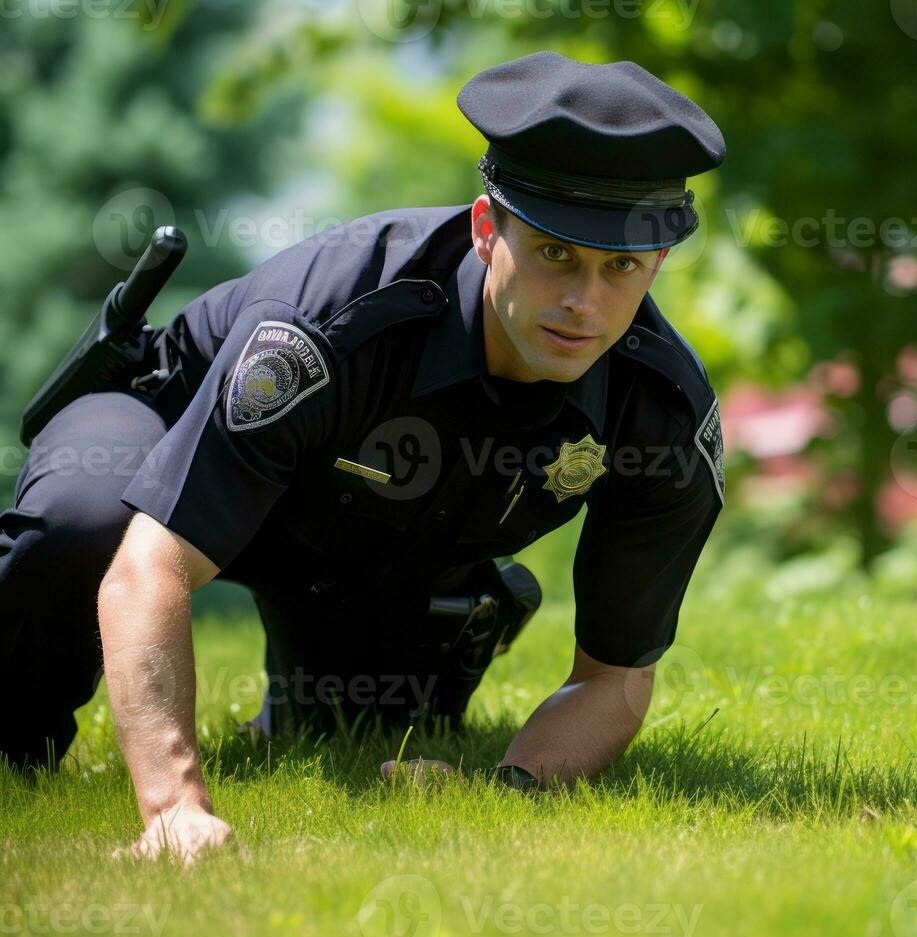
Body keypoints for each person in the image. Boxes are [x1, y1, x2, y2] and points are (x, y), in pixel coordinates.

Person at [0, 50, 727, 861]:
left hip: (356, 538)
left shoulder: (661, 410)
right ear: (489, 230)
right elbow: (150, 569)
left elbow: (614, 678)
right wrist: (175, 810)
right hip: (168, 436)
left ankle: (460, 609)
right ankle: (11, 750)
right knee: (80, 526)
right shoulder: (333, 325)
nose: (582, 303)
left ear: (657, 262)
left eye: (620, 267)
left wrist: (509, 789)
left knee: (351, 731)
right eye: (556, 253)